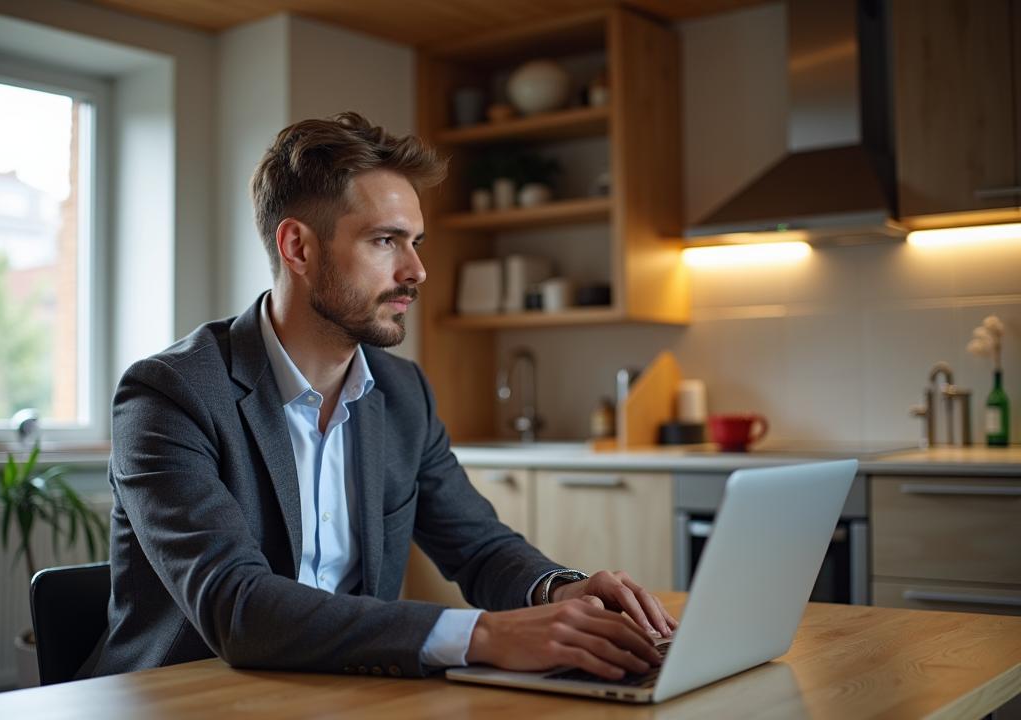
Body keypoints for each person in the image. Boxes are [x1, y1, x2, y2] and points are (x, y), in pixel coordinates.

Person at [89, 112, 677, 681]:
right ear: (297, 247)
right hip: (189, 698)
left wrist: (558, 589)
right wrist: (486, 635)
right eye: (386, 241)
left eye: (416, 242)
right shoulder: (169, 395)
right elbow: (238, 607)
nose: (417, 269)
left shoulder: (403, 393)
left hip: (345, 691)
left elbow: (478, 546)